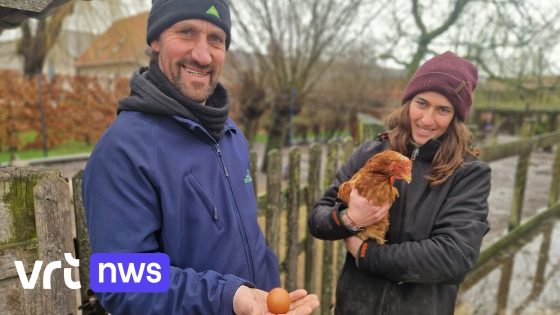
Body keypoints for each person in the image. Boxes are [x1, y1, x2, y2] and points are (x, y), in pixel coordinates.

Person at [82, 0, 319, 314]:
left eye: (216, 39)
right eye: (186, 33)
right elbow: (121, 280)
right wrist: (229, 298)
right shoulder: (123, 151)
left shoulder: (231, 135)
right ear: (155, 40)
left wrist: (267, 296)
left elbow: (249, 239)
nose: (202, 54)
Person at [308, 51, 490, 315]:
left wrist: (365, 254)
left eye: (443, 109)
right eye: (422, 103)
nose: (427, 119)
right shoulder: (371, 153)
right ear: (408, 102)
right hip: (355, 306)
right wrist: (349, 219)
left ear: (455, 117)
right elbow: (318, 218)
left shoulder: (468, 174)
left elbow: (454, 257)